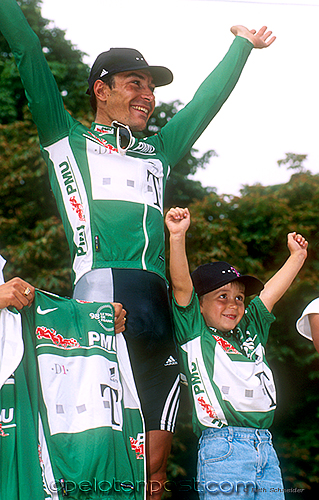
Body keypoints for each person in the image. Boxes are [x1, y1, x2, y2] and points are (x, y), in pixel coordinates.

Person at [0, 1, 276, 495]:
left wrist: (242, 46)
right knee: (103, 450)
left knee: (153, 473)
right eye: (135, 82)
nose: (147, 94)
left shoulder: (159, 152)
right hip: (104, 299)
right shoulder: (66, 139)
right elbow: (27, 54)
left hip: (159, 307)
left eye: (151, 86)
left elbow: (202, 107)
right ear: (100, 90)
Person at [165, 207, 308, 499]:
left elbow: (269, 293)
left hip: (265, 447)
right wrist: (177, 236)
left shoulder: (250, 329)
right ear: (199, 305)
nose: (233, 305)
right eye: (222, 297)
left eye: (239, 298)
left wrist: (297, 257)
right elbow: (181, 284)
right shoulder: (195, 332)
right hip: (224, 447)